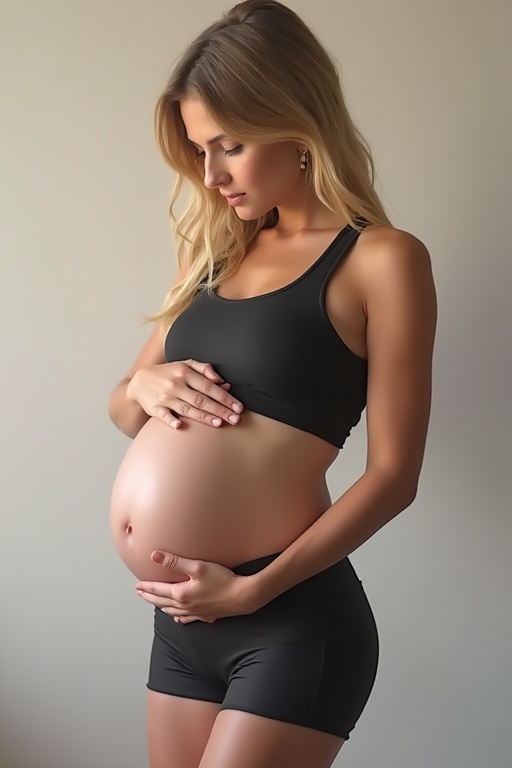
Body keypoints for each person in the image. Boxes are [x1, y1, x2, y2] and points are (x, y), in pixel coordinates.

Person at [108, 1, 437, 766]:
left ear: (297, 122)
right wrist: (148, 386)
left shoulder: (384, 261)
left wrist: (253, 593)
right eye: (199, 149)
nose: (211, 173)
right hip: (181, 626)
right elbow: (124, 405)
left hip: (289, 620)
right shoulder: (217, 255)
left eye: (230, 145)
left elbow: (394, 476)